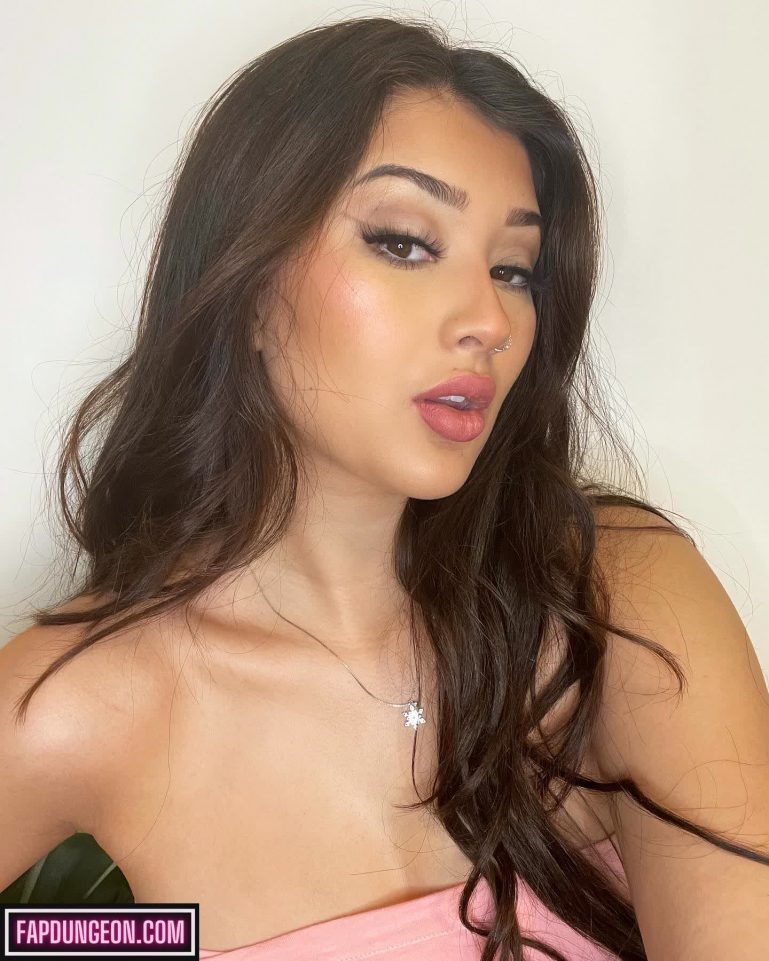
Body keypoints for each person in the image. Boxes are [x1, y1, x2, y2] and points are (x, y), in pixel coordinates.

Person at [2, 14, 768, 961]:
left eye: (513, 269)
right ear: (245, 282)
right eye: (404, 242)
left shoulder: (612, 596)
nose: (489, 319)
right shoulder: (80, 707)